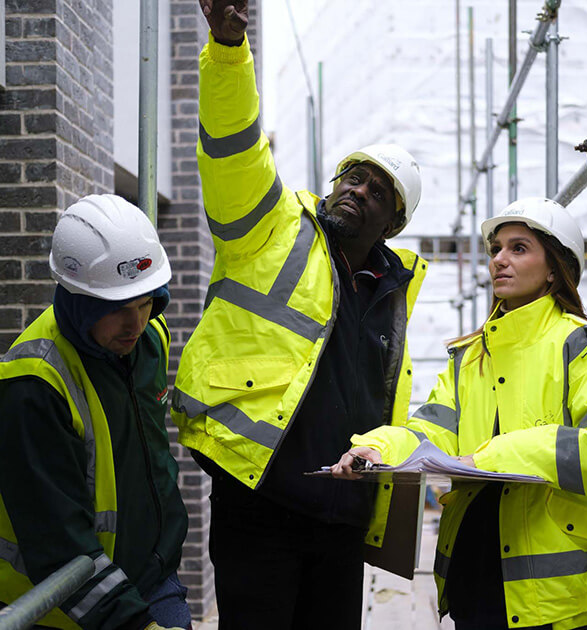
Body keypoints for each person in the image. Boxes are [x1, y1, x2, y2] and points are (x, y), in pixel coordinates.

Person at [169, 1, 426, 628]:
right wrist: (229, 51)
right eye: (352, 176)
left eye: (375, 190)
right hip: (261, 506)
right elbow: (233, 152)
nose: (355, 190)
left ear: (393, 222)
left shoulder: (392, 291)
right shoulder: (272, 226)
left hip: (342, 521)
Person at [332, 198, 587, 630]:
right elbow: (430, 431)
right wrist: (376, 448)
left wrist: (492, 456)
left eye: (519, 248)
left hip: (551, 594)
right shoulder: (471, 357)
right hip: (471, 570)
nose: (499, 259)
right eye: (496, 248)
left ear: (555, 268)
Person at [0, 194, 191, 630]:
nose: (136, 325)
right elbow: (58, 543)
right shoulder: (30, 387)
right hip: (57, 603)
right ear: (79, 298)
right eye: (118, 309)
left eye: (145, 303)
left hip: (152, 574)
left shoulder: (147, 340)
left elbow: (151, 459)